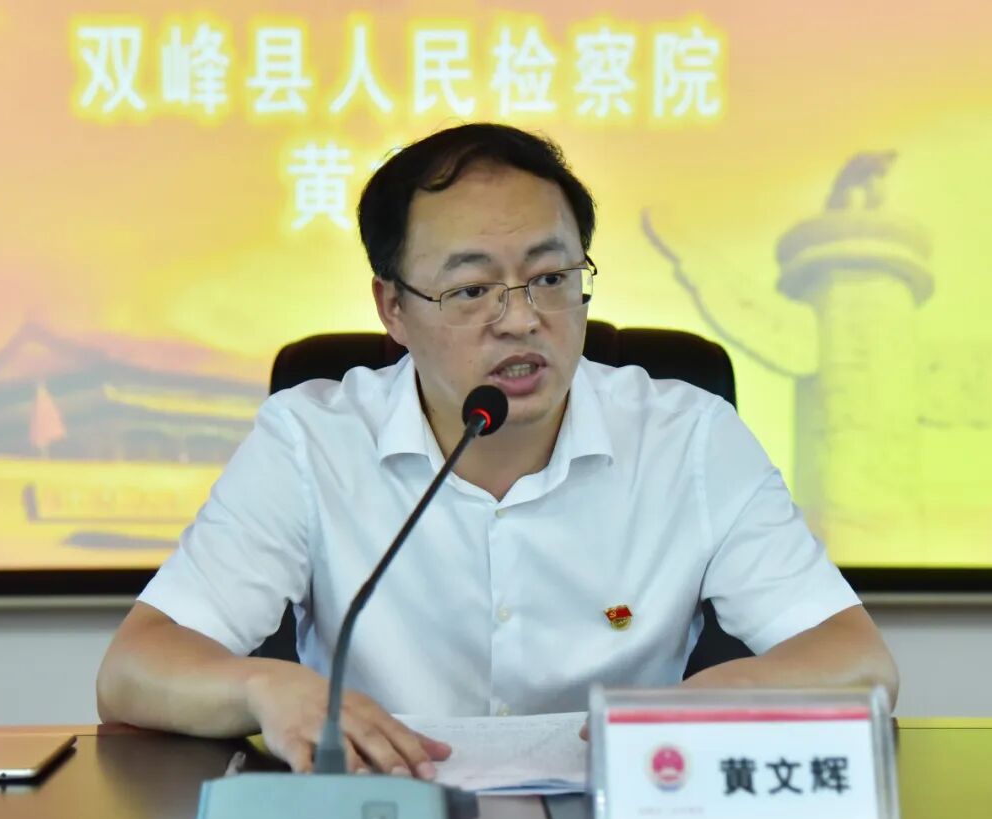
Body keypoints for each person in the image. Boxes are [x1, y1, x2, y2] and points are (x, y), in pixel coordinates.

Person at [97, 123, 899, 781]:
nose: (521, 319)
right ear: (393, 308)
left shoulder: (688, 437)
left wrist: (706, 700)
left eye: (551, 277)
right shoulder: (313, 441)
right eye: (471, 289)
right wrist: (264, 688)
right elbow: (133, 670)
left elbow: (859, 662)